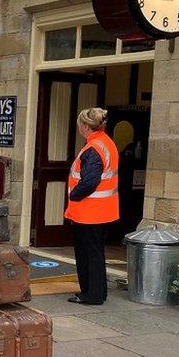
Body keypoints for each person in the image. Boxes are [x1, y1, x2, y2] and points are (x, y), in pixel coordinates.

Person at [66, 107, 118, 306]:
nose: (79, 127)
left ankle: (90, 294)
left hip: (88, 212)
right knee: (96, 253)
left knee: (87, 254)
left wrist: (73, 194)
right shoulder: (107, 143)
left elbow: (89, 181)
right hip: (103, 211)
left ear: (85, 126)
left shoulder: (93, 148)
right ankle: (99, 292)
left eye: (80, 123)